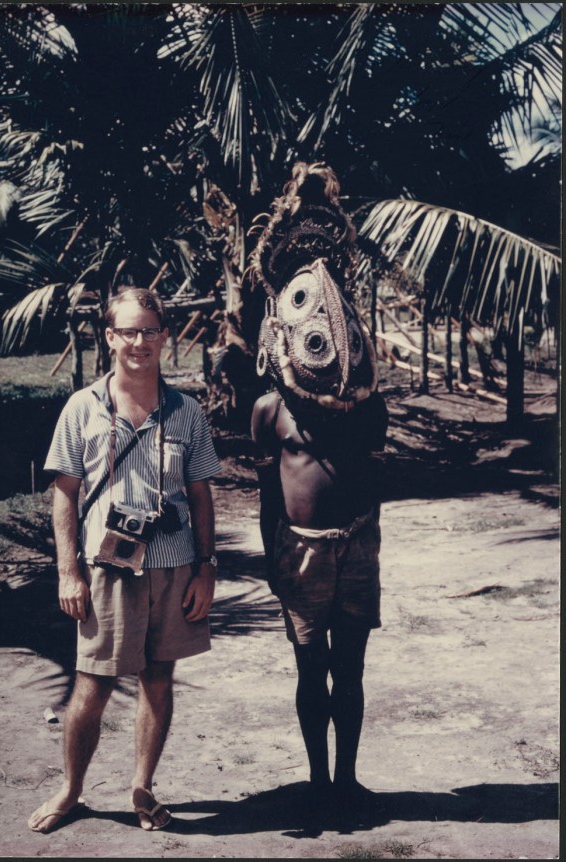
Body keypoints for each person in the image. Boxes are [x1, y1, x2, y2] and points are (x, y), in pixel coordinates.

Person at [28, 287, 221, 833]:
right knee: (93, 683)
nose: (140, 342)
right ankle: (71, 790)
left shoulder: (188, 411)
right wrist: (68, 571)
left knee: (160, 678)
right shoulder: (83, 408)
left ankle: (142, 785)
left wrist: (206, 567)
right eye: (128, 331)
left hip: (174, 564)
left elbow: (202, 494)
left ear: (165, 336)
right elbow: (64, 493)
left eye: (150, 331)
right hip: (108, 569)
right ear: (109, 337)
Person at [249, 163, 388, 817]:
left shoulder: (366, 404)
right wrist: (273, 561)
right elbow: (266, 492)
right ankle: (316, 779)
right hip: (298, 554)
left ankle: (348, 782)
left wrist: (368, 539)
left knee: (352, 671)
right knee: (311, 670)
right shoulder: (270, 411)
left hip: (356, 548)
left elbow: (374, 476)